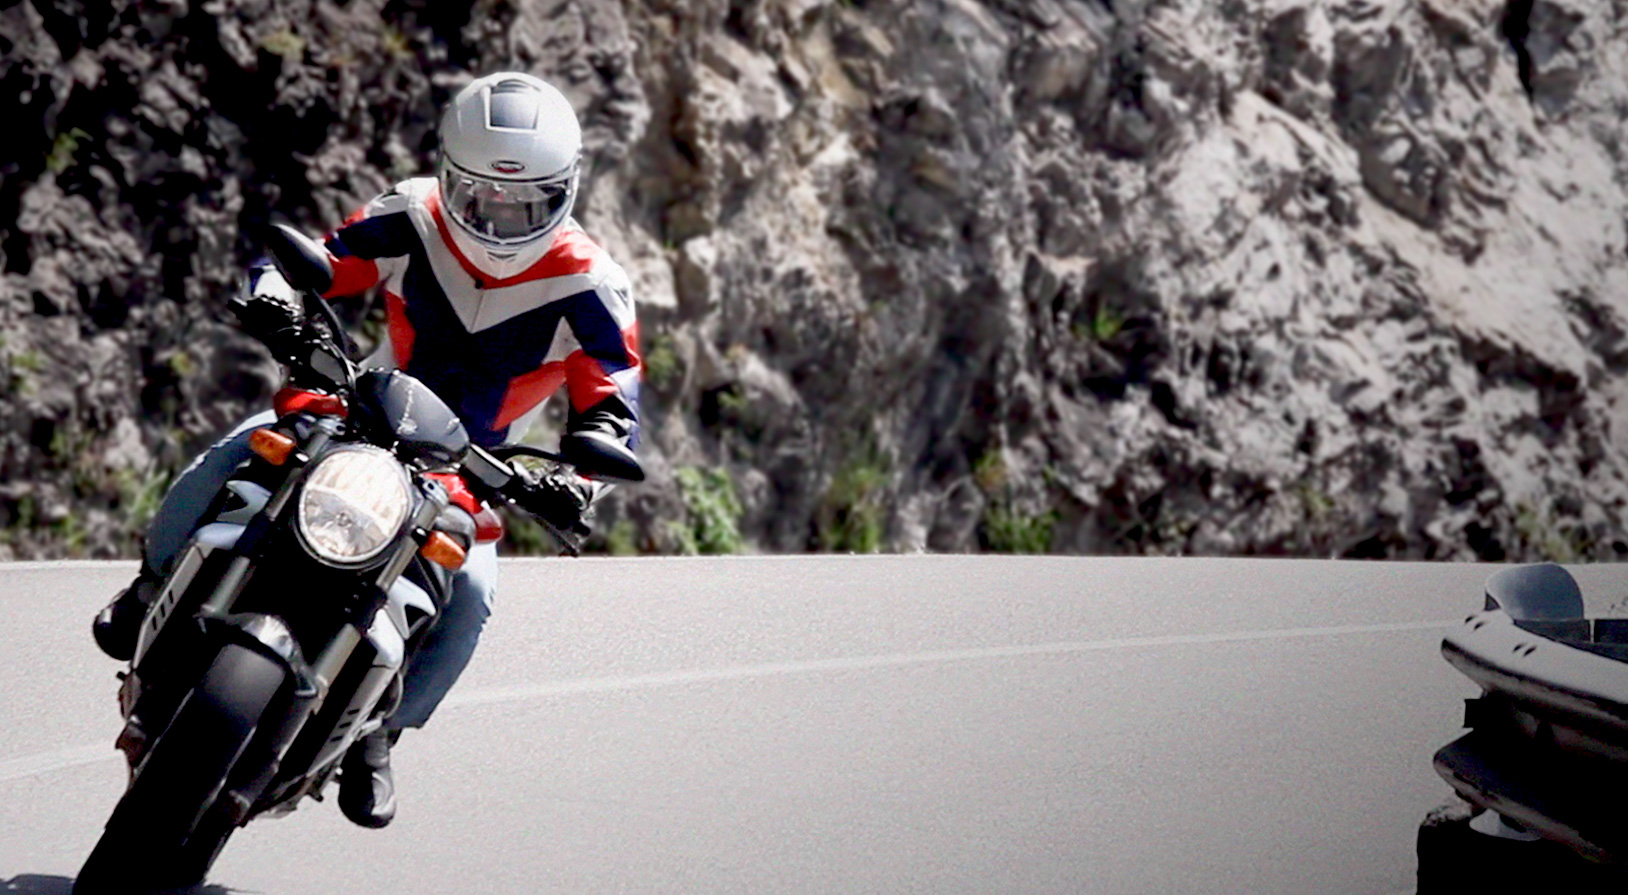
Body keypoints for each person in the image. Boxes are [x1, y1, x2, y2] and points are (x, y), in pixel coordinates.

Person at [90, 71, 642, 829]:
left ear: (566, 190)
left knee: (471, 598)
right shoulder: (412, 212)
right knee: (231, 457)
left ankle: (380, 733)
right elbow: (313, 262)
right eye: (481, 196)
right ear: (448, 172)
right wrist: (277, 307)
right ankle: (150, 587)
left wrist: (577, 481)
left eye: (527, 203)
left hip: (470, 468)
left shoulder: (594, 283)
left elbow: (613, 406)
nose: (500, 220)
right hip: (359, 406)